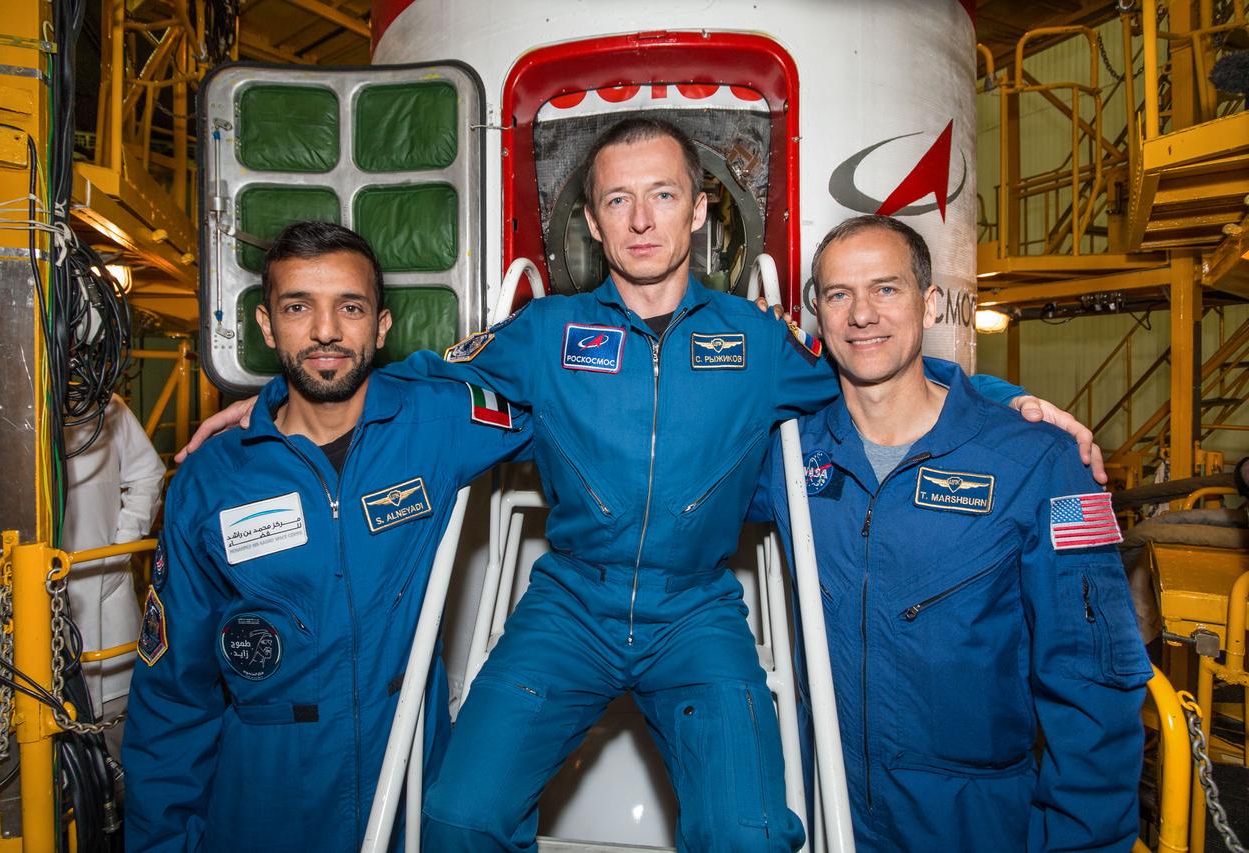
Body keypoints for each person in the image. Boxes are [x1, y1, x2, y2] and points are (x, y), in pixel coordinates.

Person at [182, 118, 1102, 853]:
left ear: (699, 209)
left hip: (694, 608)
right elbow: (411, 377)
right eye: (616, 200)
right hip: (570, 604)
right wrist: (265, 409)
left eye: (662, 195)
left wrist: (1003, 396)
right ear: (590, 222)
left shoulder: (759, 341)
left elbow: (883, 364)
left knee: (744, 833)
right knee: (458, 816)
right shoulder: (542, 335)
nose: (641, 219)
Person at [121, 222, 530, 851]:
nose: (325, 332)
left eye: (350, 307)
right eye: (297, 307)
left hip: (408, 790)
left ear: (381, 326)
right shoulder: (213, 479)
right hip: (265, 805)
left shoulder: (435, 424)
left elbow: (566, 382)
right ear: (265, 327)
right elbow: (175, 695)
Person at [749, 215, 1149, 852]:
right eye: (838, 295)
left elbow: (1095, 676)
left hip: (975, 820)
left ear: (930, 304)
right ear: (816, 319)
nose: (862, 315)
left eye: (886, 289)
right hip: (828, 811)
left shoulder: (1048, 463)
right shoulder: (786, 454)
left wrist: (1085, 841)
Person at [0, 391, 165, 758]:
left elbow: (147, 474)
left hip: (100, 615)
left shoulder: (101, 404)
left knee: (111, 759)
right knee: (10, 752)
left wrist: (116, 549)